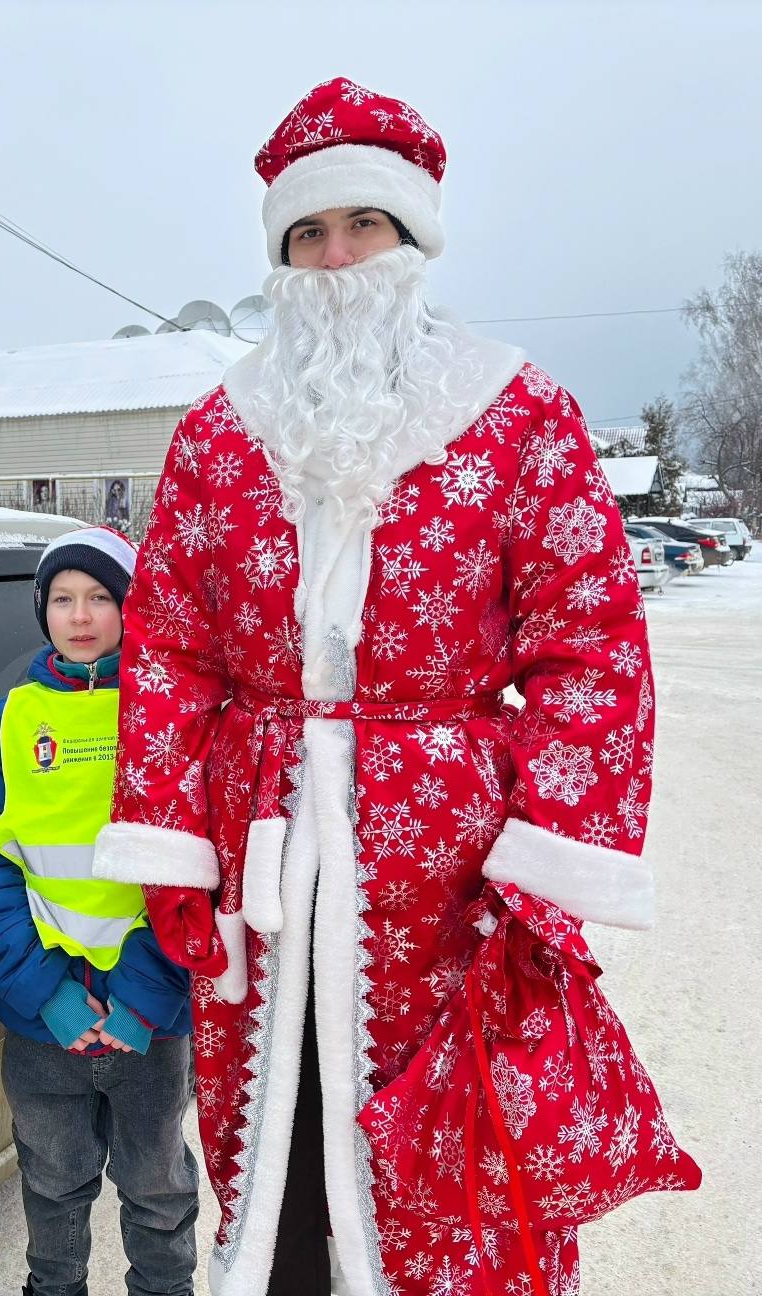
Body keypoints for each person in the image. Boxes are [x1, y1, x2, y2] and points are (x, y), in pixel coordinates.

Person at [93, 79, 700, 1296]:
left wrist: (542, 869)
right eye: (306, 234)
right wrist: (171, 848)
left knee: (452, 1148)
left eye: (361, 224)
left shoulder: (515, 414)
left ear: (411, 239)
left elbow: (588, 644)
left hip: (448, 873)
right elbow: (168, 648)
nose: (334, 258)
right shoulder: (218, 432)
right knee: (274, 1146)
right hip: (264, 851)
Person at [0, 526, 198, 1296]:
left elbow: (198, 868)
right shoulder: (9, 721)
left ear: (131, 608)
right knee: (52, 1183)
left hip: (148, 1018)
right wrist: (45, 991)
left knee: (157, 1189)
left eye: (100, 597)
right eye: (63, 598)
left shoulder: (168, 713)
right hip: (43, 1017)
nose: (81, 615)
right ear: (42, 609)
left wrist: (144, 996)